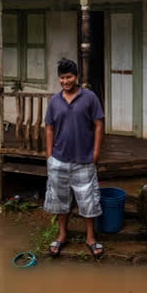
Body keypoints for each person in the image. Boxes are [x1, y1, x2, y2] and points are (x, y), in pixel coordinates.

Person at [44, 58, 105, 258]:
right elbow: (49, 128)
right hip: (59, 160)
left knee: (88, 200)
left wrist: (95, 152)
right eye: (62, 78)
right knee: (60, 201)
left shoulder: (89, 98)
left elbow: (98, 124)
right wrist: (50, 155)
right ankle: (62, 235)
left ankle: (90, 238)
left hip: (84, 160)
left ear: (76, 77)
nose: (65, 81)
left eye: (69, 77)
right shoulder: (54, 101)